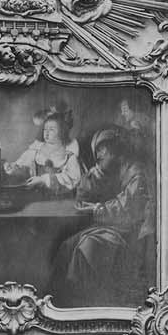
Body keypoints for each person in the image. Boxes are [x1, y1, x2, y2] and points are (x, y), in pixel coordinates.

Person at [53, 128, 148, 305]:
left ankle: (87, 301)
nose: (98, 155)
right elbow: (81, 200)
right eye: (96, 151)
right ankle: (64, 303)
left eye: (102, 150)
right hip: (109, 228)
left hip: (129, 234)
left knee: (88, 246)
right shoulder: (109, 173)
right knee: (67, 247)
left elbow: (127, 209)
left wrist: (97, 209)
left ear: (116, 151)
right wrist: (90, 180)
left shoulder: (136, 173)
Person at [5, 108, 82, 194]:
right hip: (35, 195)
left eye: (51, 130)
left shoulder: (69, 156)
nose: (46, 133)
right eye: (45, 129)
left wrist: (44, 180)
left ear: (62, 132)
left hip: (59, 199)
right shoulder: (35, 151)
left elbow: (73, 180)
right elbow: (24, 169)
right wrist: (14, 169)